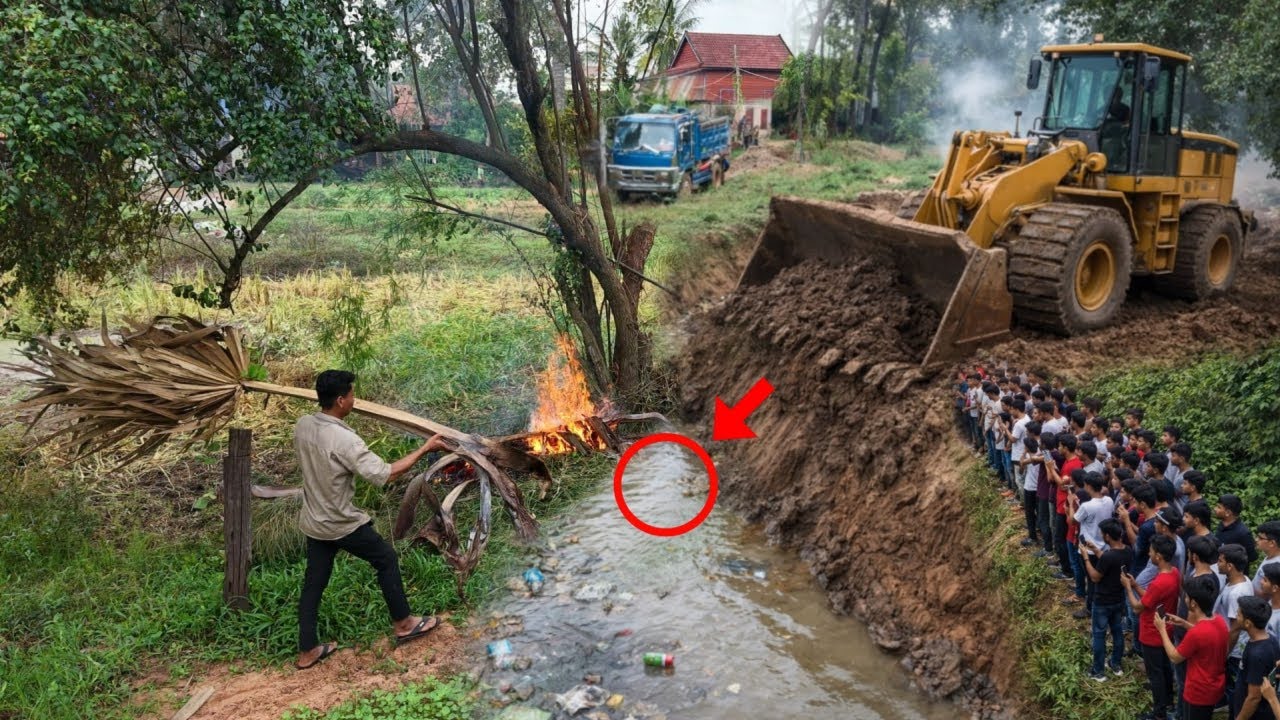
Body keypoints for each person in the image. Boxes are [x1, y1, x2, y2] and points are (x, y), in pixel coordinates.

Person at [294, 370, 449, 670]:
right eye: (352, 394)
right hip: (340, 522)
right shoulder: (344, 440)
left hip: (314, 520)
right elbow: (385, 474)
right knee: (386, 558)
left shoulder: (304, 425)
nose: (355, 399)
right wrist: (425, 449)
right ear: (341, 400)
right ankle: (404, 623)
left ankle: (307, 650)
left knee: (314, 582)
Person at [1153, 574, 1228, 720]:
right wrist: (1184, 623)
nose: (1185, 600)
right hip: (1214, 686)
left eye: (1186, 597)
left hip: (1198, 691)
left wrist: (1162, 629)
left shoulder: (1196, 633)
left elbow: (1175, 657)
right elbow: (1206, 637)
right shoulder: (1219, 621)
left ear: (1193, 603)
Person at [1123, 534, 1182, 720]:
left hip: (1152, 632)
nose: (1149, 554)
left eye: (1151, 552)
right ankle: (1168, 700)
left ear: (1158, 556)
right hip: (1166, 629)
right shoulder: (1174, 573)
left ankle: (1159, 713)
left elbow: (1137, 607)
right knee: (1164, 668)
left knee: (1155, 674)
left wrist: (1127, 587)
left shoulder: (1158, 582)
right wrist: (1135, 585)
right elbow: (1151, 599)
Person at [1082, 518, 1133, 680]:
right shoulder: (1128, 550)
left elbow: (1095, 577)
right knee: (1117, 631)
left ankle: (1098, 671)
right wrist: (1096, 550)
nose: (1101, 536)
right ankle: (1115, 663)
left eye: (1102, 534)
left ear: (1108, 536)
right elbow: (1110, 561)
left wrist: (1086, 557)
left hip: (1102, 601)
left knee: (1099, 635)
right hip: (1118, 599)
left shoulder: (1109, 557)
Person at [1218, 543, 1256, 712]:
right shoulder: (1243, 579)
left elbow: (1235, 628)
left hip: (1234, 650)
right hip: (1234, 645)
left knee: (1234, 685)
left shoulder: (1236, 594)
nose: (1217, 564)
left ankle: (1234, 710)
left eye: (1220, 561)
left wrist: (1226, 652)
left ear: (1230, 566)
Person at [1233, 595, 1280, 720]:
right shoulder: (1271, 639)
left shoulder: (1257, 655)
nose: (1236, 616)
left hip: (1254, 715)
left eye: (1238, 614)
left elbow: (1254, 697)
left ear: (1248, 623)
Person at [1216, 495, 1258, 566]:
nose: (1215, 509)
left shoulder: (1243, 533)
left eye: (1219, 507)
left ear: (1228, 513)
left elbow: (1252, 557)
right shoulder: (1222, 525)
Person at [1254, 521, 1280, 595]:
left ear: (1272, 543)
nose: (1256, 539)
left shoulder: (1277, 566)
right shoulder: (1270, 555)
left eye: (1260, 538)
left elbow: (1267, 594)